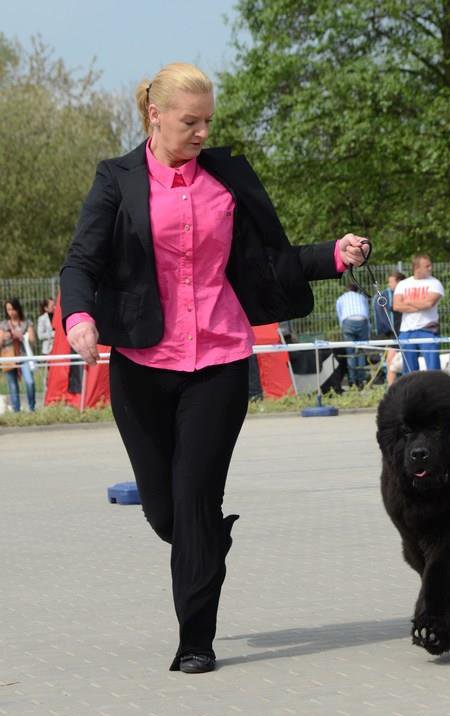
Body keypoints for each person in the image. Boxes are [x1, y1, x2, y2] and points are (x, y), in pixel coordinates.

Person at [60, 62, 369, 674]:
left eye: (208, 121)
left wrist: (333, 254)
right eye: (190, 121)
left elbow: (269, 261)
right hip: (142, 364)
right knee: (164, 512)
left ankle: (195, 640)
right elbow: (80, 263)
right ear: (156, 115)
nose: (202, 132)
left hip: (220, 360)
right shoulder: (117, 180)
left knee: (196, 497)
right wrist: (79, 319)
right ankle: (204, 546)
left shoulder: (226, 179)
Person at [393, 254, 444, 372]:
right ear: (417, 268)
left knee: (433, 369)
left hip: (428, 330)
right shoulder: (403, 284)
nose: (430, 268)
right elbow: (396, 306)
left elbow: (429, 304)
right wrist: (420, 305)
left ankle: (435, 390)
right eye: (427, 266)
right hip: (406, 331)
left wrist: (408, 302)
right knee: (409, 371)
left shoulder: (435, 283)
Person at [1, 298, 37, 412]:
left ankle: (32, 408)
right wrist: (4, 337)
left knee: (30, 382)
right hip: (9, 356)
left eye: (12, 309)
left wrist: (24, 335)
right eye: (8, 309)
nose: (11, 312)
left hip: (23, 355)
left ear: (18, 308)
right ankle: (16, 411)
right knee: (13, 385)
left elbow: (33, 340)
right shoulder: (3, 324)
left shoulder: (27, 323)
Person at [372, 270, 405, 385]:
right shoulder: (389, 294)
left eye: (391, 282)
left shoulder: (404, 293)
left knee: (401, 358)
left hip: (405, 331)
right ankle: (391, 386)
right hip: (395, 332)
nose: (389, 285)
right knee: (391, 359)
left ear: (399, 282)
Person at [336, 282, 370, 388]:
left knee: (350, 353)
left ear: (346, 290)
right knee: (361, 351)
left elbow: (340, 315)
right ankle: (362, 380)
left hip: (348, 322)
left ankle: (352, 380)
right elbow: (367, 313)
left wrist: (344, 327)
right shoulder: (362, 297)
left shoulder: (341, 299)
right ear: (357, 290)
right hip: (362, 321)